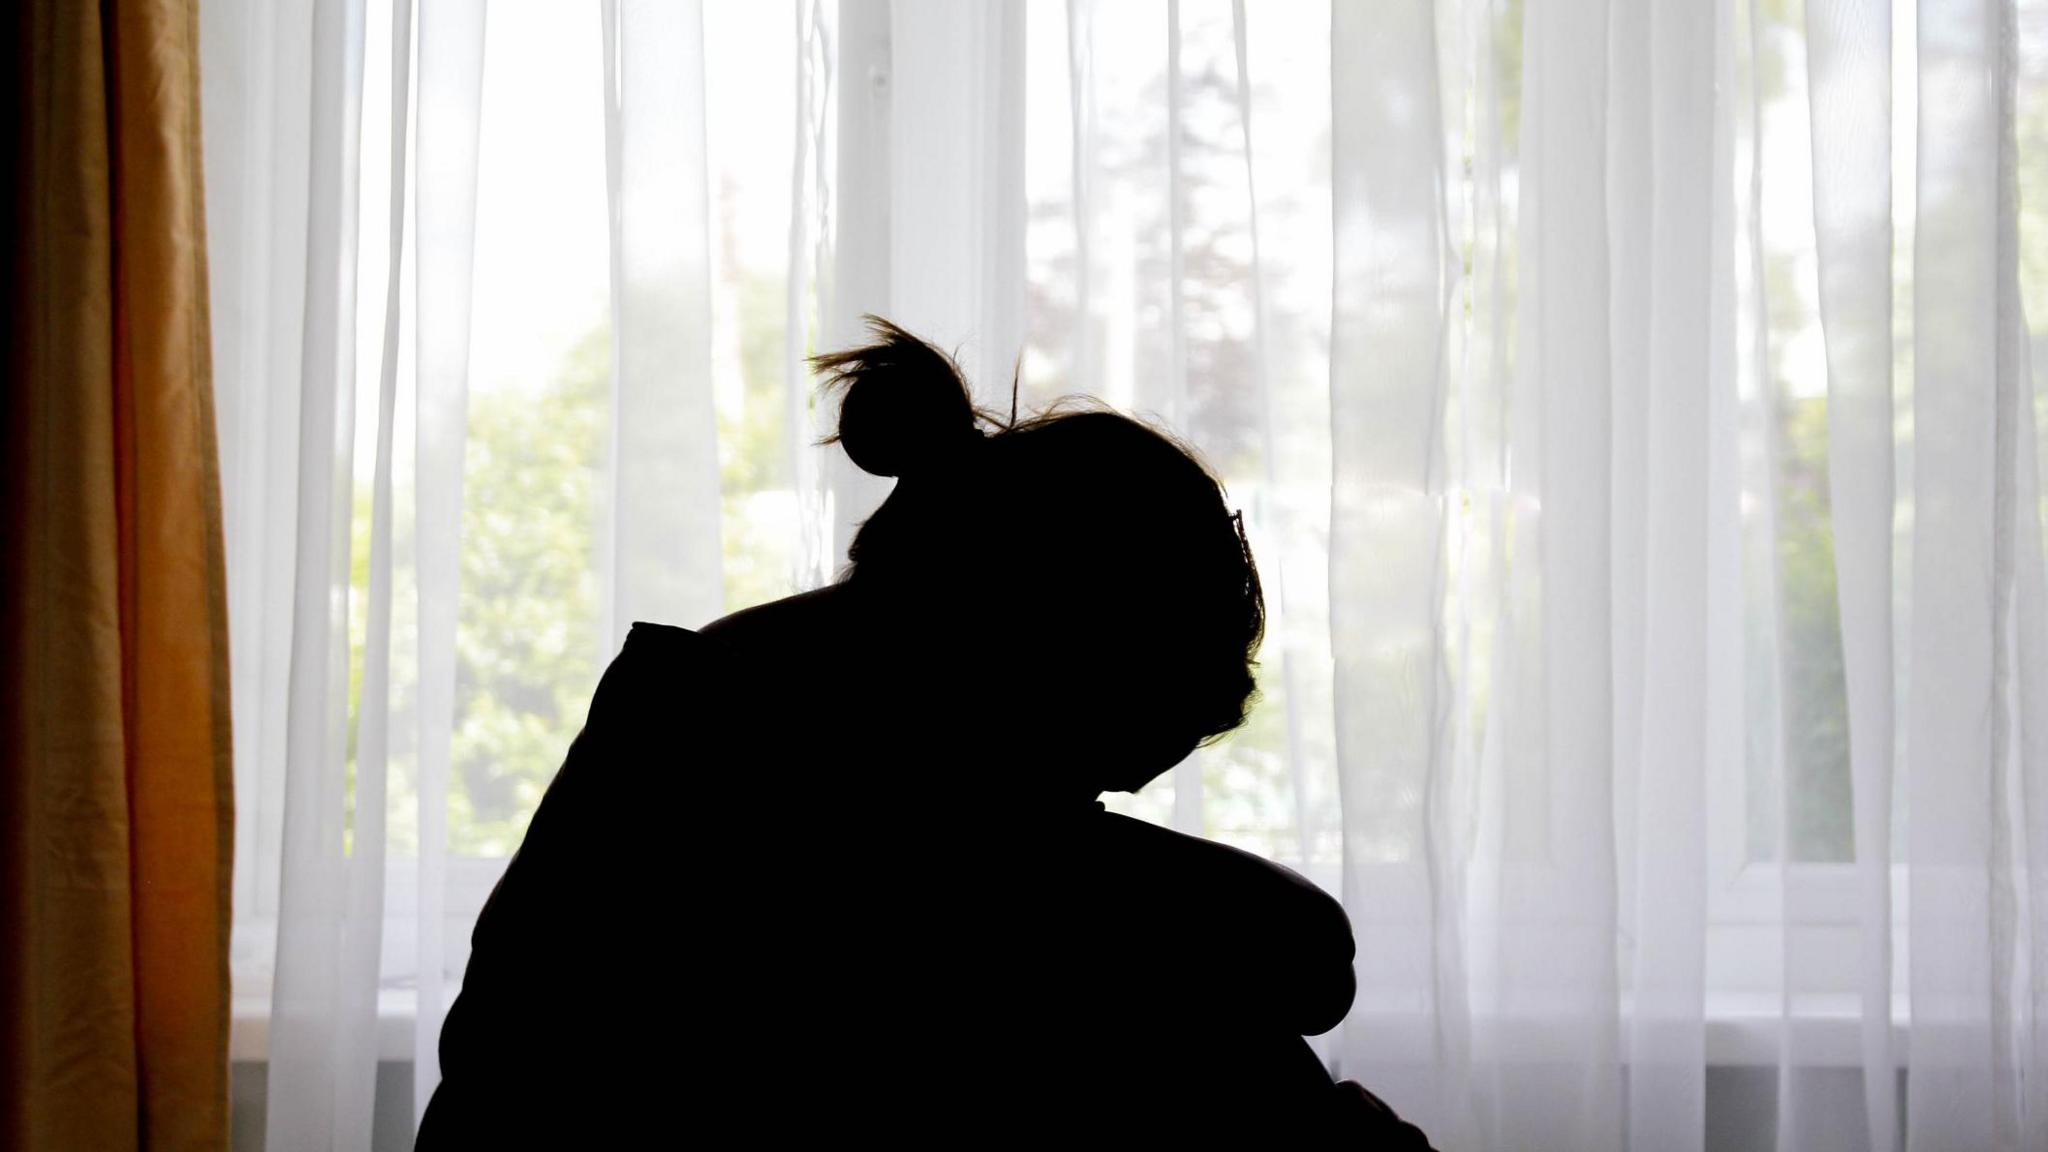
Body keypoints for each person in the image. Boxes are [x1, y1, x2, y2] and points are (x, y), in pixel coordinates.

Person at [414, 318, 1433, 1147]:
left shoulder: (712, 710)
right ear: (1058, 650)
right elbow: (1300, 957)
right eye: (1097, 765)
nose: (1095, 803)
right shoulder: (819, 779)